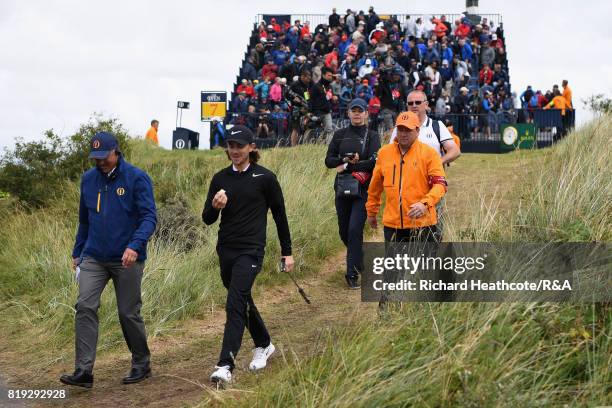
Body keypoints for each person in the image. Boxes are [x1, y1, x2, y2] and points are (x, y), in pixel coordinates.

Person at [60, 131, 157, 388]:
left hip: (127, 257)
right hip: (93, 256)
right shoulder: (88, 179)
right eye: (96, 158)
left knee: (128, 312)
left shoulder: (136, 177)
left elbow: (149, 217)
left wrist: (135, 246)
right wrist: (77, 251)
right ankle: (84, 371)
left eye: (105, 157)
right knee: (85, 306)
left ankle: (141, 363)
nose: (100, 162)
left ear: (116, 151)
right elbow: (84, 219)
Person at [202, 125, 294, 385]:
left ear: (251, 148)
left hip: (251, 250)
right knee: (241, 301)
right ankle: (264, 344)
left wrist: (287, 253)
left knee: (234, 304)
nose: (234, 151)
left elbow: (280, 216)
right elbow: (207, 219)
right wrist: (214, 206)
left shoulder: (265, 178)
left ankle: (225, 365)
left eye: (239, 146)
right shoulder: (220, 179)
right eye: (230, 146)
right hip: (226, 250)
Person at [325, 98, 381, 289]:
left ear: (366, 113)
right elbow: (329, 161)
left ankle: (351, 274)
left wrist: (348, 165)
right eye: (353, 110)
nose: (357, 114)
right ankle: (361, 262)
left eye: (360, 111)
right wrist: (345, 160)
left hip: (363, 189)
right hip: (341, 188)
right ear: (348, 113)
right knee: (343, 231)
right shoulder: (340, 134)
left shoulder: (372, 135)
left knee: (354, 230)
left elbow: (374, 162)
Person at [366, 111, 447, 243]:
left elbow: (440, 185)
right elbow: (375, 186)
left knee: (422, 264)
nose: (403, 134)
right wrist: (371, 211)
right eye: (400, 129)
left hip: (423, 223)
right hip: (393, 225)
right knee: (395, 264)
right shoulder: (384, 153)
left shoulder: (429, 154)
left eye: (408, 130)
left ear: (417, 131)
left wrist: (424, 204)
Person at [389, 91, 460, 240]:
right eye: (410, 103)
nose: (414, 106)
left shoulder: (437, 126)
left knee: (434, 231)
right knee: (406, 231)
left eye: (418, 102)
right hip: (405, 188)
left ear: (426, 105)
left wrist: (434, 164)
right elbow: (390, 155)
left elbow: (454, 151)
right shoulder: (399, 128)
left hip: (432, 186)